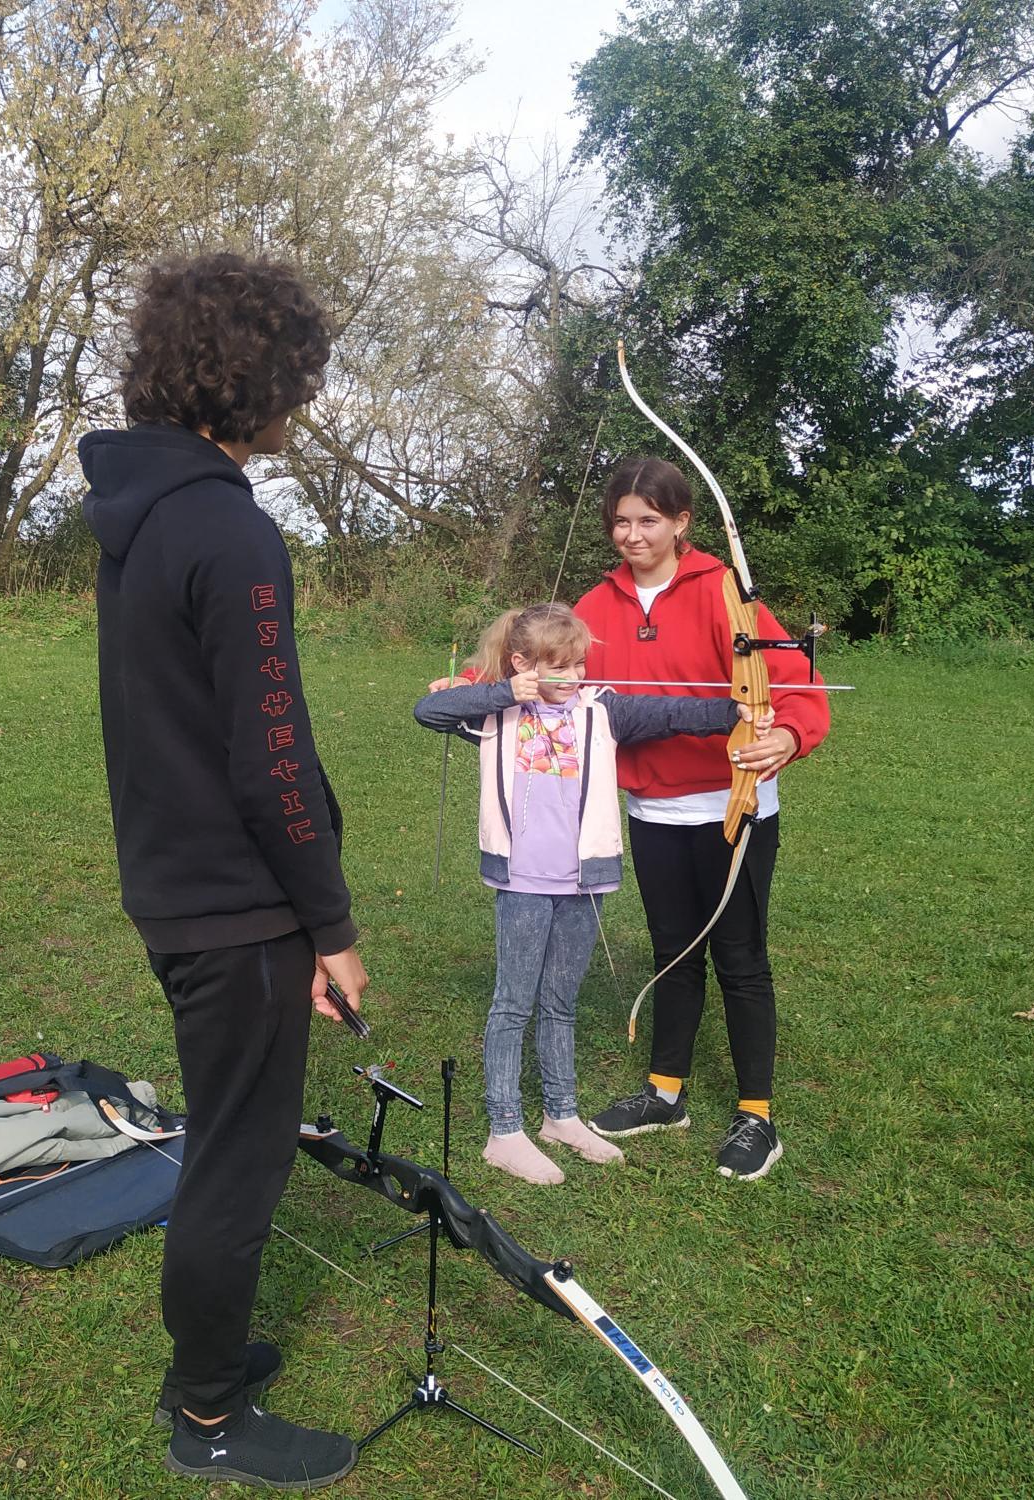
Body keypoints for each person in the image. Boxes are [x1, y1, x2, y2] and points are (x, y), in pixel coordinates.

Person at [81, 252, 364, 1491]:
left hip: (176, 888)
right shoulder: (227, 528)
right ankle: (206, 1413)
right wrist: (329, 927)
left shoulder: (145, 514)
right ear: (255, 379)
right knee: (236, 1163)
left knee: (223, 1141)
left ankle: (208, 1362)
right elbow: (271, 757)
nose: (303, 397)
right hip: (231, 902)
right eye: (297, 374)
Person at [414, 603, 763, 1185]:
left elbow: (672, 712)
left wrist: (737, 709)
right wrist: (503, 692)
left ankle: (561, 1115)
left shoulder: (603, 709)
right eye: (559, 666)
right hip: (522, 879)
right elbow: (428, 710)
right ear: (523, 664)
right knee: (512, 1005)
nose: (574, 676)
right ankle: (505, 1130)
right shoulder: (494, 713)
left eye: (579, 664)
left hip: (585, 878)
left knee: (560, 1003)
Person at [574, 456, 830, 1181]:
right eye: (620, 522)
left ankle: (757, 1116)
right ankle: (665, 1094)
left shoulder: (724, 590)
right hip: (653, 809)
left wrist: (789, 735)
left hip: (733, 804)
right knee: (673, 952)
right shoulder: (597, 603)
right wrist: (473, 682)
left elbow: (796, 683)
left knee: (740, 958)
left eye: (648, 520)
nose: (632, 535)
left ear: (682, 521)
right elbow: (543, 660)